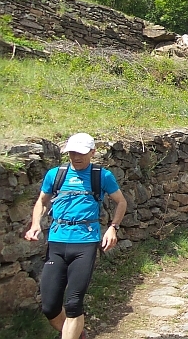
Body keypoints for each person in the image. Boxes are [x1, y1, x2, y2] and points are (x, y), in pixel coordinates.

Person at [24, 133, 127, 339]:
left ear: (92, 152)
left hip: (85, 243)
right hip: (57, 242)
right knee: (50, 307)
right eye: (71, 152)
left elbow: (121, 202)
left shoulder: (102, 175)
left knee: (73, 303)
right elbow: (41, 201)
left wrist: (113, 227)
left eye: (80, 153)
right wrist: (35, 223)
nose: (75, 157)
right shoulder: (55, 174)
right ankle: (78, 334)